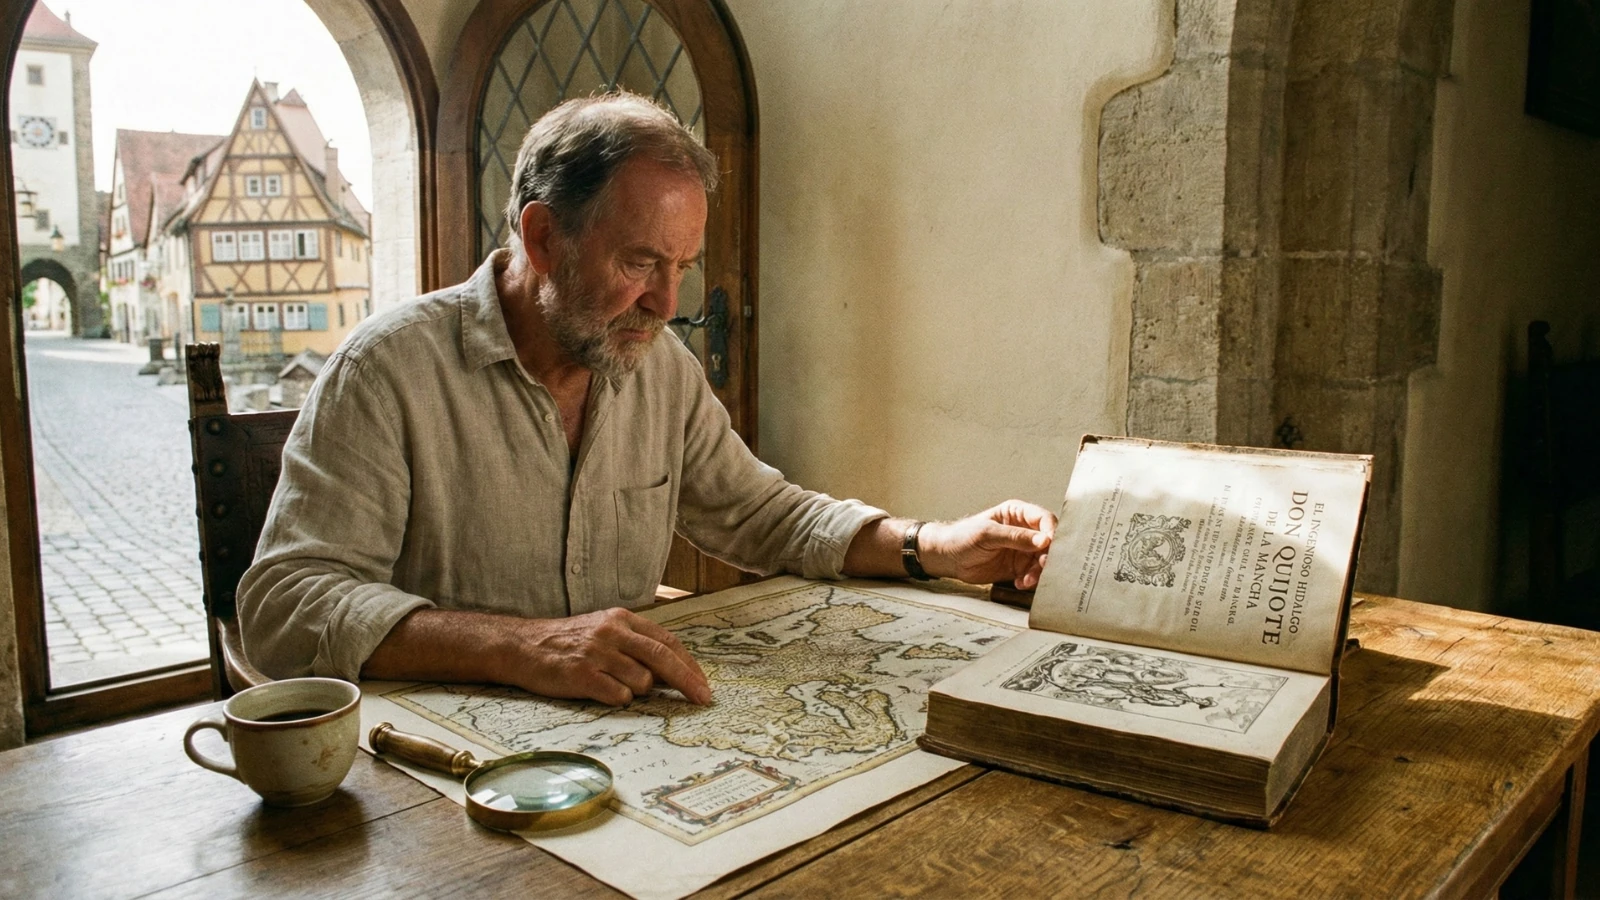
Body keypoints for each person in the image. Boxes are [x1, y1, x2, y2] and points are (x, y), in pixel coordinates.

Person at [238, 92, 1056, 708]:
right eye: (638, 264)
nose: (666, 305)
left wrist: (934, 544)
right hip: (443, 770)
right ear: (542, 236)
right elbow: (284, 606)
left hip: (613, 735)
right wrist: (518, 647)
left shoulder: (657, 367)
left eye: (681, 268)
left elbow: (767, 516)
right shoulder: (386, 373)